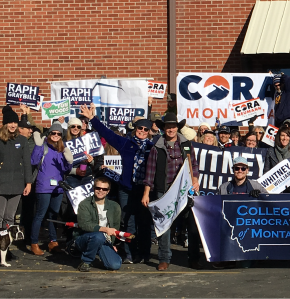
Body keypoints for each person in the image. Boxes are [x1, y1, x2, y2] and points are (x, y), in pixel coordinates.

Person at [79, 104, 153, 265]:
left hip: (144, 190)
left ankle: (144, 254)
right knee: (127, 222)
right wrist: (92, 118)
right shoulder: (126, 143)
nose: (142, 131)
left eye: (145, 129)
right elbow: (108, 134)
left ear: (149, 132)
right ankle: (129, 254)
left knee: (144, 222)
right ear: (135, 128)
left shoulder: (152, 148)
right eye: (139, 128)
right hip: (126, 189)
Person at [140, 114, 200, 271]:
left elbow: (193, 164)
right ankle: (164, 258)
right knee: (164, 225)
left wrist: (195, 180)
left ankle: (193, 257)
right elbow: (150, 171)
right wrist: (146, 192)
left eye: (173, 126)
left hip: (184, 188)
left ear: (177, 128)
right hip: (164, 189)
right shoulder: (157, 147)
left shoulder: (187, 144)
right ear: (163, 128)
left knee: (191, 224)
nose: (171, 129)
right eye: (168, 127)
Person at [0, 105, 34, 232]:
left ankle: (5, 249)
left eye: (15, 122)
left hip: (17, 184)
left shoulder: (22, 140)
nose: (13, 125)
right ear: (5, 124)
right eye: (10, 122)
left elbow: (26, 163)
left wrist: (28, 182)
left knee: (10, 218)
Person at [29, 125, 72, 255]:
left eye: (59, 134)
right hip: (44, 186)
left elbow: (66, 169)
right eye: (53, 133)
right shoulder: (44, 146)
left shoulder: (61, 149)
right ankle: (34, 242)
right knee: (40, 214)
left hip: (58, 187)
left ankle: (53, 241)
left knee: (53, 215)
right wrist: (37, 146)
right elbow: (33, 161)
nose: (56, 135)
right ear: (49, 133)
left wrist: (69, 161)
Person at [75, 177, 123, 272]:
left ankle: (100, 251)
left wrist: (111, 244)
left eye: (104, 189)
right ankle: (86, 262)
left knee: (115, 265)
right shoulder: (84, 204)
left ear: (108, 191)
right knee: (98, 236)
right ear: (93, 188)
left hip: (104, 239)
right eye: (98, 188)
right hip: (84, 238)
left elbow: (115, 227)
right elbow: (84, 225)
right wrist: (105, 229)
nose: (101, 191)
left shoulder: (115, 206)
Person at [268, 127, 290, 193]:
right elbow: (266, 171)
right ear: (279, 137)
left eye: (287, 136)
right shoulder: (271, 151)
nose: (285, 138)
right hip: (275, 190)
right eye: (282, 135)